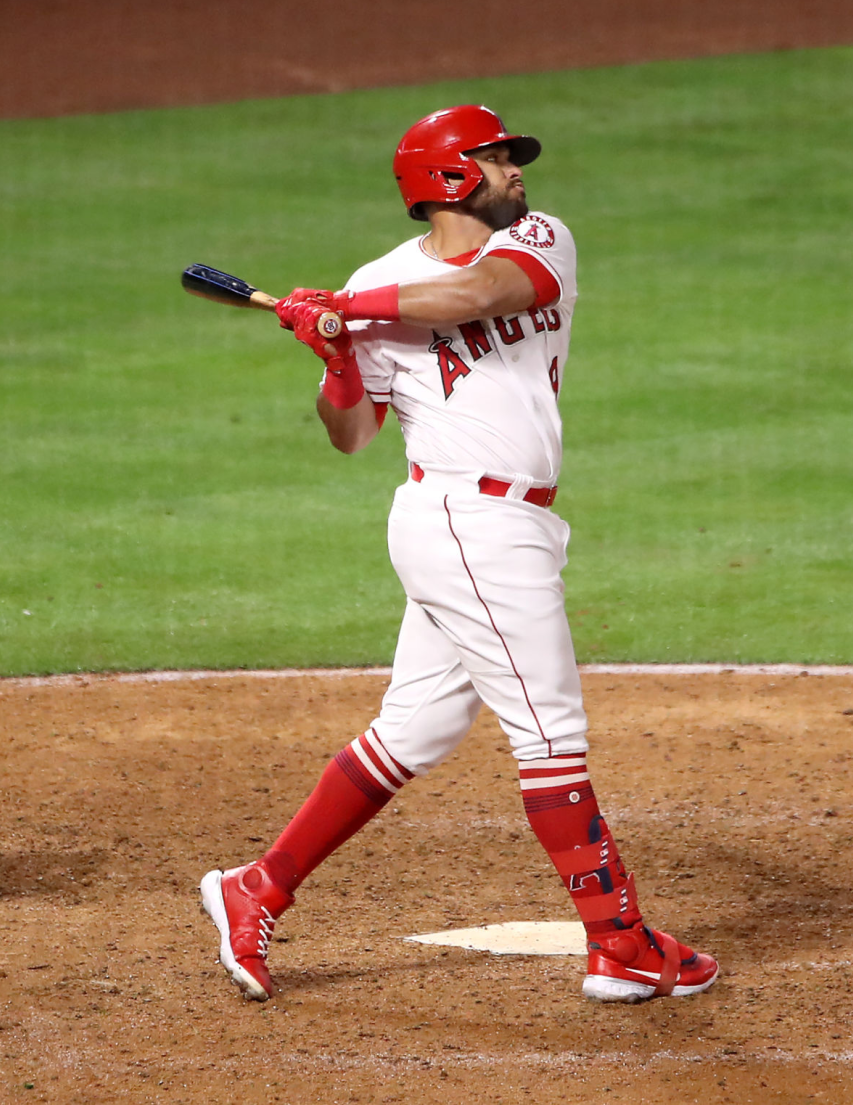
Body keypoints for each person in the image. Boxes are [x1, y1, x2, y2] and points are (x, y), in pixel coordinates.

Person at [197, 105, 718, 1005]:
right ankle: (621, 942)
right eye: (498, 157)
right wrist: (335, 358)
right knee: (551, 737)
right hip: (464, 523)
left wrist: (346, 309)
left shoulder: (540, 240)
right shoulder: (381, 280)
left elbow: (479, 296)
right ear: (449, 177)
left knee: (417, 729)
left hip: (498, 527)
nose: (518, 169)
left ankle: (257, 885)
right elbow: (353, 435)